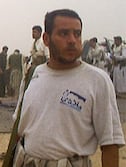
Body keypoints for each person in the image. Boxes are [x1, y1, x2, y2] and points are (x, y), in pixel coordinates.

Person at [13, 9, 125, 166]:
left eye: (77, 34)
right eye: (64, 33)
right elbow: (19, 130)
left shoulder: (98, 80)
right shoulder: (33, 75)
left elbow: (110, 144)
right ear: (46, 39)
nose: (72, 40)